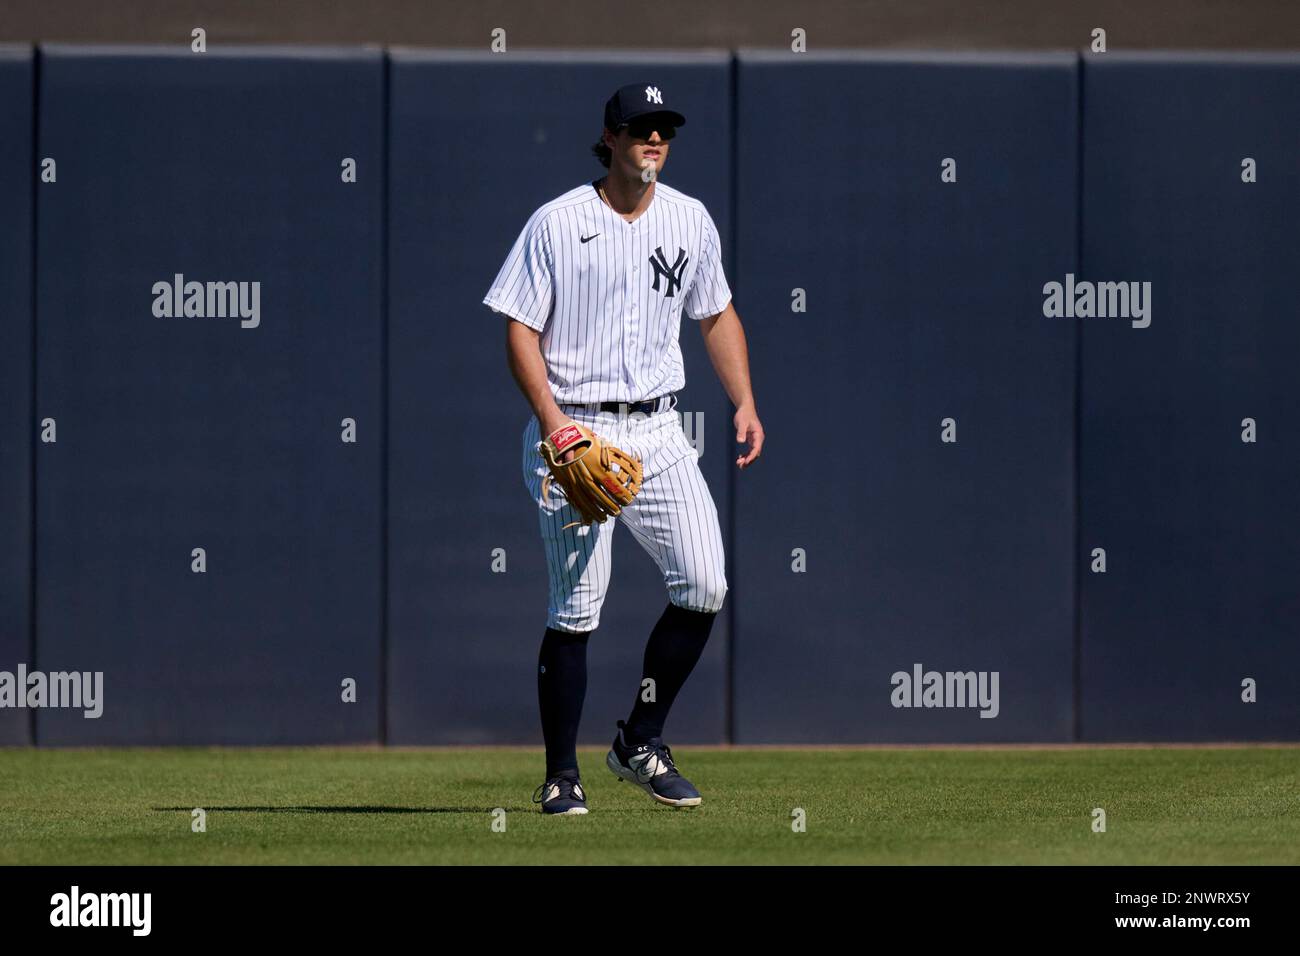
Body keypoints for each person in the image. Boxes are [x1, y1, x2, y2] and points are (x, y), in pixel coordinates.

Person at [483, 82, 764, 814]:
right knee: (576, 608)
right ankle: (559, 775)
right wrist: (553, 424)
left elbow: (716, 313)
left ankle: (639, 740)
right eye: (641, 129)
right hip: (575, 426)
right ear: (608, 138)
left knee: (705, 583)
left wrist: (744, 401)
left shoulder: (690, 220)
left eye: (664, 129)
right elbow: (518, 327)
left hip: (660, 429)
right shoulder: (558, 223)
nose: (654, 141)